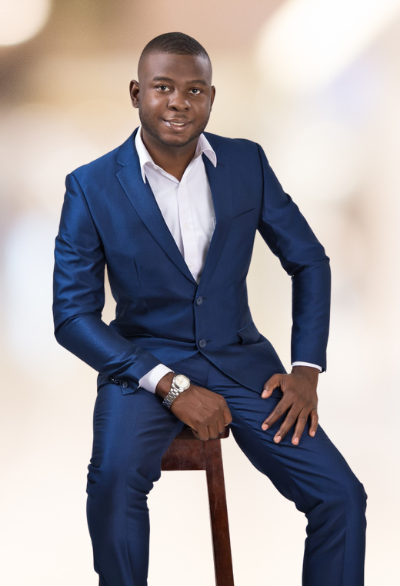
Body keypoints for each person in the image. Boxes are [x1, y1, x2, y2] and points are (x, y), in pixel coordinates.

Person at [52, 32, 367, 586]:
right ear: (136, 93)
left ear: (211, 97)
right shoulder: (91, 187)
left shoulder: (247, 163)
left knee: (341, 496)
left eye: (194, 90)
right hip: (143, 369)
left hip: (244, 363)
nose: (179, 102)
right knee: (112, 485)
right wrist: (171, 386)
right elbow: (73, 317)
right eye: (163, 88)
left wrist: (306, 369)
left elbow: (309, 261)